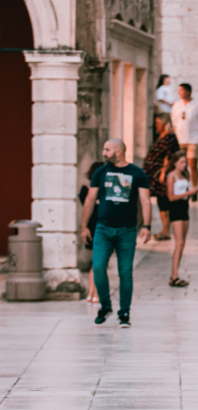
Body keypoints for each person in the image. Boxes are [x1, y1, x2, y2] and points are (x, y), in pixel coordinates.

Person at [81, 139, 151, 328]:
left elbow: (145, 201)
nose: (104, 153)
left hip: (127, 230)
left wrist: (146, 226)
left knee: (125, 272)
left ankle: (125, 312)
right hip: (102, 229)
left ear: (118, 152)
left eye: (107, 150)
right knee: (98, 268)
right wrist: (84, 226)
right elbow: (89, 200)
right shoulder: (100, 172)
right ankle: (105, 305)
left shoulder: (137, 173)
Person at [164, 151, 198, 287]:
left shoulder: (184, 175)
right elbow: (171, 197)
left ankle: (175, 273)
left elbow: (183, 195)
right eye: (182, 162)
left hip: (184, 208)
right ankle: (174, 276)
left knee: (182, 243)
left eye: (185, 162)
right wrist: (188, 193)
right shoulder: (171, 176)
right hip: (176, 209)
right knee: (178, 243)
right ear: (175, 163)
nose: (185, 165)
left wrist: (191, 194)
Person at [170, 83, 198, 200]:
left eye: (181, 90)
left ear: (188, 91)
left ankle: (194, 188)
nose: (179, 93)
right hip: (179, 139)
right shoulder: (176, 105)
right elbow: (174, 123)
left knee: (192, 164)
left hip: (194, 138)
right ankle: (183, 187)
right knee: (181, 165)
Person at [144, 116, 181, 240]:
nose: (156, 126)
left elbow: (169, 156)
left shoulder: (170, 137)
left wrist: (163, 172)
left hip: (161, 175)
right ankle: (164, 230)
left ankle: (166, 231)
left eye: (159, 123)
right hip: (155, 174)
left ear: (165, 124)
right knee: (161, 201)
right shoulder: (161, 135)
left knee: (164, 201)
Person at [78, 161, 105, 304]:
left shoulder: (85, 190)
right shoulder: (95, 191)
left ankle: (91, 293)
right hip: (98, 229)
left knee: (95, 263)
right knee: (98, 263)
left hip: (91, 228)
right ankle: (95, 294)